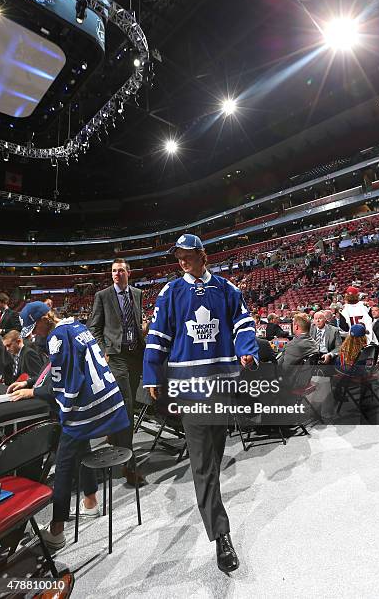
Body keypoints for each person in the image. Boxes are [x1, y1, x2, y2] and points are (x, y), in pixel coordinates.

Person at [143, 233, 258, 573]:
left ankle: (210, 502)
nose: (182, 261)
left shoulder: (226, 288)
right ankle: (221, 536)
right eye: (178, 256)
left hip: (220, 384)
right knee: (203, 464)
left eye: (188, 255)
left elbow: (243, 322)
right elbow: (158, 335)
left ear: (202, 255)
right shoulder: (170, 292)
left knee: (215, 455)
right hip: (189, 388)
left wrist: (247, 350)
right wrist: (152, 374)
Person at [7, 301, 129, 550]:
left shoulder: (56, 337)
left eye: (35, 328)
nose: (35, 334)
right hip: (107, 399)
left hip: (89, 407)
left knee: (63, 466)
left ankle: (57, 530)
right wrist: (31, 381)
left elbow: (62, 382)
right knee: (81, 445)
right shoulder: (75, 326)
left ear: (43, 320)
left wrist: (33, 392)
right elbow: (61, 367)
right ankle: (91, 502)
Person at [87, 258, 145, 486]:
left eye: (120, 270)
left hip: (135, 355)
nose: (116, 274)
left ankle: (115, 436)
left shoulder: (138, 294)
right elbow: (94, 327)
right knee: (128, 407)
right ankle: (129, 467)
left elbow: (136, 321)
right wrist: (104, 351)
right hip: (117, 357)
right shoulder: (102, 296)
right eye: (113, 271)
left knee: (127, 405)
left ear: (128, 273)